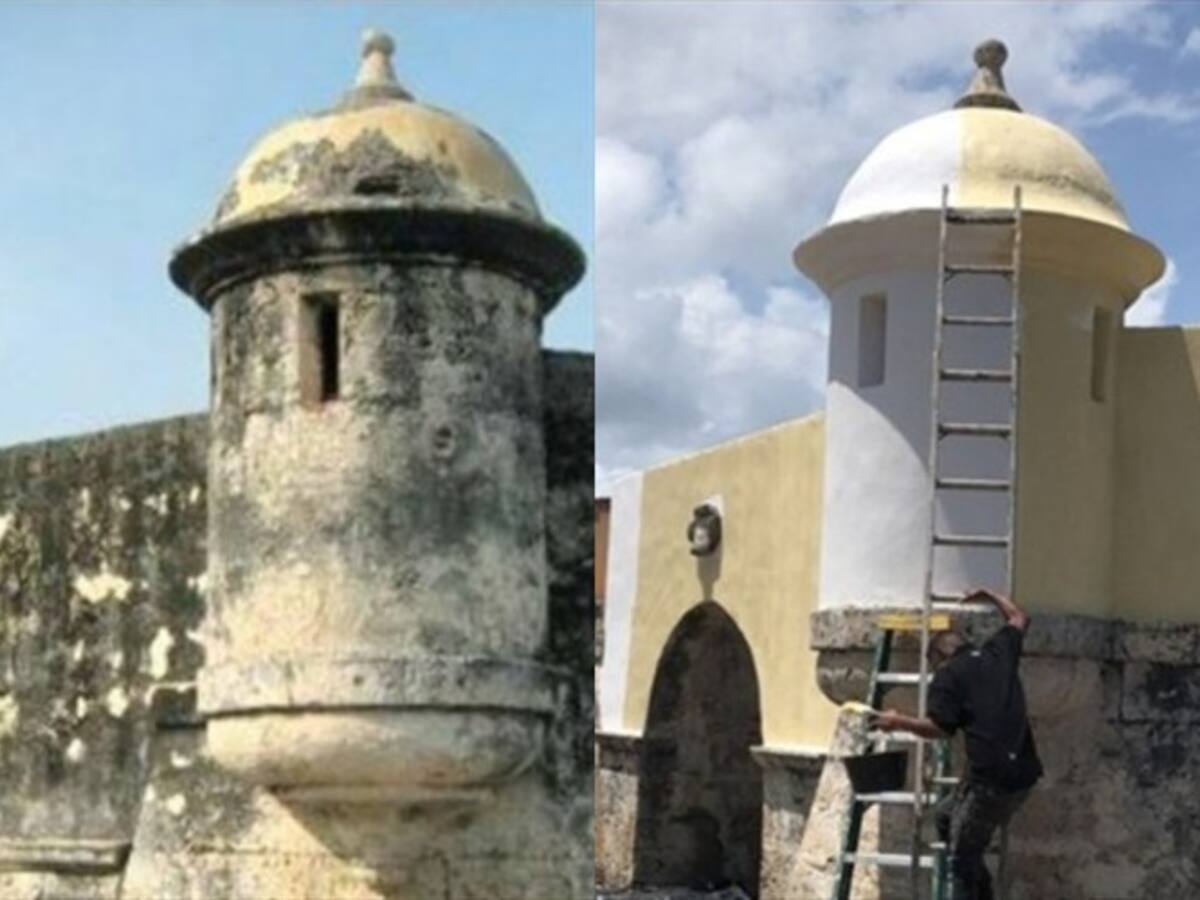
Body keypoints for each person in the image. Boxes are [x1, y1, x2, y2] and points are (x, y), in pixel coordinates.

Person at [871, 588, 1043, 900]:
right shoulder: (997, 652)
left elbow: (939, 729)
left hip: (991, 783)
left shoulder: (948, 676)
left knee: (960, 862)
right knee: (946, 817)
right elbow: (1019, 617)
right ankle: (983, 891)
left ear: (940, 657)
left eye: (934, 665)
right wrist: (989, 594)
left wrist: (898, 721)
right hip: (1023, 775)